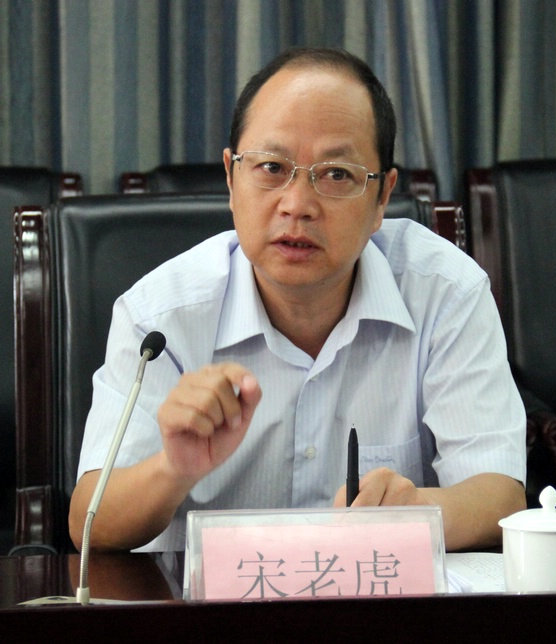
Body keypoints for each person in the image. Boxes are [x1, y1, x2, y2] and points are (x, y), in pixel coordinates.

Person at [69, 47, 526, 554]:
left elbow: (499, 494)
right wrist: (173, 469)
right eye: (271, 167)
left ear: (382, 197)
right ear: (231, 177)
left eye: (337, 175)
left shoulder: (446, 292)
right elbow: (91, 523)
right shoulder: (160, 319)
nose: (297, 205)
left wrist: (415, 511)